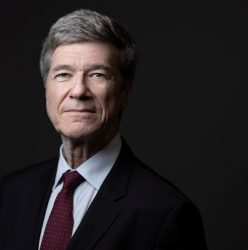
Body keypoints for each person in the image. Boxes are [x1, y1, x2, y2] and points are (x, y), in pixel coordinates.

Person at [0, 9, 207, 250]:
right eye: (63, 74)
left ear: (124, 91)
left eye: (98, 74)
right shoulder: (11, 193)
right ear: (47, 87)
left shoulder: (166, 213)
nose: (78, 91)